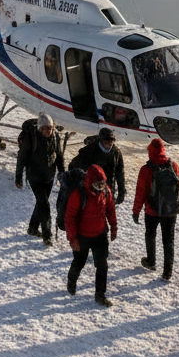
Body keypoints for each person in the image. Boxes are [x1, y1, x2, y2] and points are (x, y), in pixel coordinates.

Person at [133, 139, 179, 280]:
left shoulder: (146, 170)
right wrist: (173, 203)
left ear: (150, 152)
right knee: (169, 240)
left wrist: (136, 211)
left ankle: (151, 262)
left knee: (150, 235)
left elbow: (141, 192)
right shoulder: (173, 166)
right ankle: (167, 272)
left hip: (152, 211)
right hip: (170, 212)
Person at [65, 163, 118, 307]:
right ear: (90, 181)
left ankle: (100, 295)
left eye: (102, 183)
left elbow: (110, 209)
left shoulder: (105, 191)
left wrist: (114, 227)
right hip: (82, 236)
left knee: (102, 265)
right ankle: (71, 281)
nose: (100, 186)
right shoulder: (79, 194)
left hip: (100, 235)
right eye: (97, 184)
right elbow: (69, 217)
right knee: (79, 262)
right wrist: (72, 239)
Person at [15, 113, 65, 245]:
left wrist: (62, 174)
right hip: (34, 176)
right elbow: (22, 157)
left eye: (50, 128)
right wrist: (18, 177)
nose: (47, 131)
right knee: (45, 205)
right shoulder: (31, 138)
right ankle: (47, 235)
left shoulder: (55, 137)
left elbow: (59, 156)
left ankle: (32, 228)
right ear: (40, 128)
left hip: (49, 176)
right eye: (44, 128)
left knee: (41, 203)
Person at [69, 126, 126, 205]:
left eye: (111, 142)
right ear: (101, 141)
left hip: (107, 190)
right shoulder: (90, 150)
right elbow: (73, 166)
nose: (109, 145)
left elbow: (120, 173)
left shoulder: (116, 153)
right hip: (91, 191)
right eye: (106, 142)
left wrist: (121, 191)